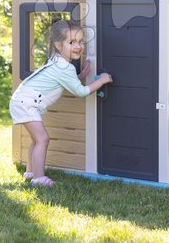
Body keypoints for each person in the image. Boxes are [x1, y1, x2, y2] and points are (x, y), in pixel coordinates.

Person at [9, 19, 113, 187]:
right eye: (71, 42)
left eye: (80, 41)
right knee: (43, 139)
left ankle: (30, 173)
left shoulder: (57, 61)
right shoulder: (66, 68)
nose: (78, 46)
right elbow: (81, 92)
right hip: (26, 102)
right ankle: (38, 178)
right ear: (58, 45)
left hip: (22, 99)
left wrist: (81, 75)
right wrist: (101, 80)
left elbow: (67, 82)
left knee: (37, 140)